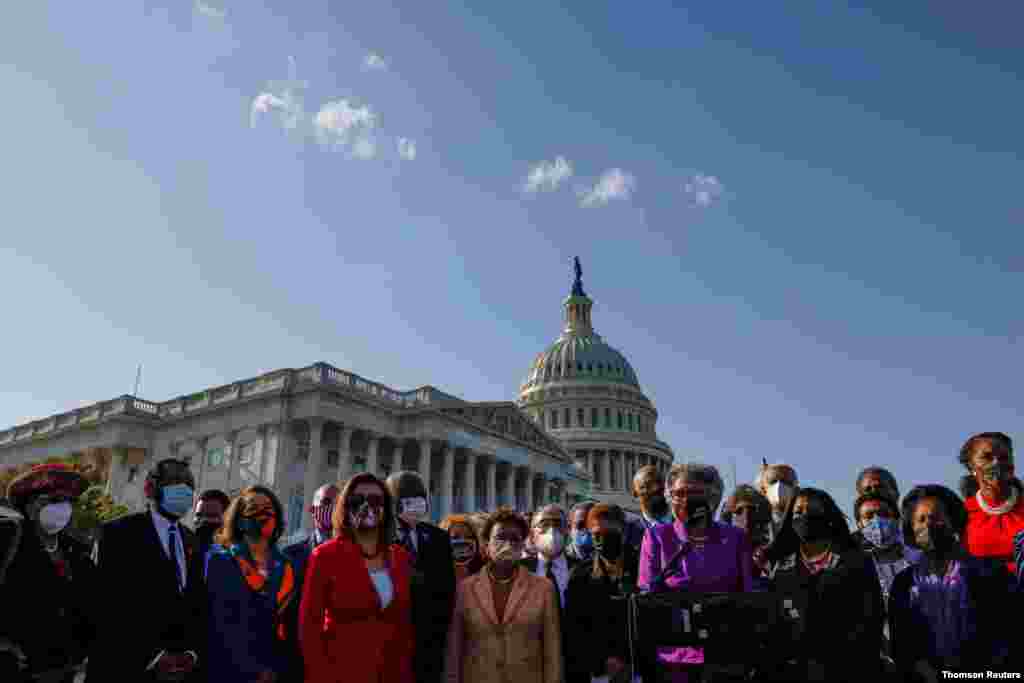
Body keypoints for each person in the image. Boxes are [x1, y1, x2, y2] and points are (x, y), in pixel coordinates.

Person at [86, 458, 207, 683]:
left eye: (189, 484)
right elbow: (105, 606)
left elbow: (197, 605)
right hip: (127, 669)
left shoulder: (192, 542)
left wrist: (191, 654)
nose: (184, 489)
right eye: (175, 481)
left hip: (181, 672)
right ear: (150, 488)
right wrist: (154, 656)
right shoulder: (117, 534)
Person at [638, 463, 752, 682]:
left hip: (725, 656)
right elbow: (647, 595)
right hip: (675, 659)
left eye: (695, 493)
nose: (686, 500)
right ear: (669, 497)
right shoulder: (657, 537)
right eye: (679, 493)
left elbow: (746, 595)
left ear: (711, 497)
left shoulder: (735, 538)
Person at [889, 484, 1012, 681]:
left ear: (952, 522)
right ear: (911, 529)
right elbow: (902, 643)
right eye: (920, 519)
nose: (928, 524)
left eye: (936, 517)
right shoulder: (903, 583)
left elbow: (1007, 633)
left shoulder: (991, 572)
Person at [299, 472, 414, 683]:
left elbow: (403, 625)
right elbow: (309, 629)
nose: (366, 506)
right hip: (340, 673)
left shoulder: (400, 557)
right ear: (345, 507)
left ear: (386, 509)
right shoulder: (325, 556)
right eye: (357, 500)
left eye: (376, 500)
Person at [767, 487, 883, 683]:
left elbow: (872, 621)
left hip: (848, 671)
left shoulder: (856, 563)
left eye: (813, 510)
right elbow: (775, 627)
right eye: (798, 512)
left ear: (827, 516)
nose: (805, 516)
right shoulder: (781, 570)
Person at [444, 508, 562, 683]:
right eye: (500, 537)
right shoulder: (466, 588)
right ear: (486, 543)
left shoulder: (544, 589)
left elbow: (552, 652)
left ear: (523, 544)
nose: (508, 544)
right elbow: (455, 649)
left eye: (515, 539)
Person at [1, 464, 94, 683]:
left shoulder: (77, 551)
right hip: (13, 670)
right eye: (53, 501)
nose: (63, 509)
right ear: (31, 507)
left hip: (62, 670)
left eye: (69, 502)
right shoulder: (8, 536)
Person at [206, 486, 295, 683]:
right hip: (230, 672)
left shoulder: (287, 567)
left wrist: (276, 668)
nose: (262, 514)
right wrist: (252, 670)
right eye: (253, 508)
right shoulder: (221, 561)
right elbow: (221, 624)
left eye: (268, 509)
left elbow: (288, 626)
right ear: (238, 519)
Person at [386, 471, 456, 683]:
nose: (418, 502)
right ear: (393, 503)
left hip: (430, 643)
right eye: (408, 496)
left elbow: (448, 591)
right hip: (391, 643)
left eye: (421, 496)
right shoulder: (379, 538)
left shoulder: (439, 537)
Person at [564, 503, 640, 683]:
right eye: (597, 534)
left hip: (637, 670)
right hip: (597, 673)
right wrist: (602, 662)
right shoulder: (580, 575)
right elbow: (575, 630)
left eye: (610, 533)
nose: (603, 539)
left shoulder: (641, 568)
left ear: (623, 531)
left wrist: (631, 663)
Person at [281, 482, 338, 682]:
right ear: (312, 509)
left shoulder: (359, 555)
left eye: (338, 504)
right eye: (326, 502)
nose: (332, 508)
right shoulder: (290, 556)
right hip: (297, 658)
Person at [958, 432, 1024, 574]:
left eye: (1004, 457)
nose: (996, 463)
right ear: (971, 467)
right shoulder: (960, 514)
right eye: (987, 457)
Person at [521, 504, 576, 606]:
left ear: (567, 531)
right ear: (532, 534)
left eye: (558, 524)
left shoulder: (581, 569)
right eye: (544, 524)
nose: (552, 530)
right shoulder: (519, 569)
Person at [720, 484, 773, 590]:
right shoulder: (716, 554)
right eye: (739, 511)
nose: (747, 517)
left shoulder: (772, 557)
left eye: (753, 510)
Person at [757, 462, 799, 538]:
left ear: (795, 489)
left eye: (786, 481)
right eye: (773, 481)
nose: (779, 485)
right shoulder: (757, 524)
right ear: (763, 489)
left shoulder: (801, 521)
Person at [440, 514, 485, 583]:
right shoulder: (432, 575)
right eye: (455, 537)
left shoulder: (483, 573)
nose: (463, 541)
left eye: (468, 537)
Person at [195, 488, 229, 568]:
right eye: (198, 515)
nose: (204, 520)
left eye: (211, 516)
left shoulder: (237, 556)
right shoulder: (184, 550)